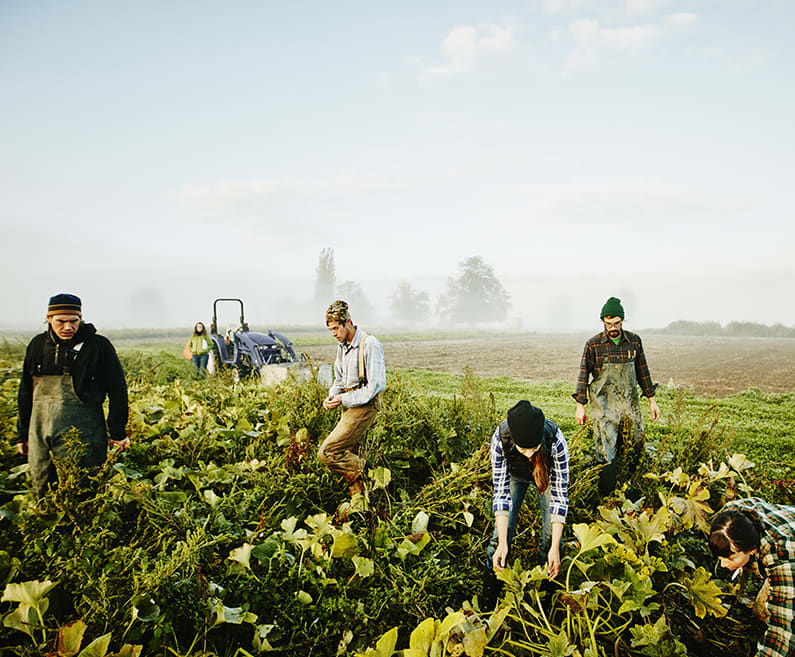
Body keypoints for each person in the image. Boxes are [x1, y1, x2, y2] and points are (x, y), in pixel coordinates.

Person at [16, 294, 129, 497]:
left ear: (80, 319)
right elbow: (25, 391)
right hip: (40, 430)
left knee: (84, 488)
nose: (67, 327)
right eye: (61, 321)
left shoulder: (98, 346)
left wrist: (118, 432)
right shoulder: (38, 345)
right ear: (49, 319)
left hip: (85, 432)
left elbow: (117, 390)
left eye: (73, 321)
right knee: (43, 485)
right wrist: (23, 434)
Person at [482, 400, 570, 611]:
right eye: (524, 449)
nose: (529, 454)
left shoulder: (556, 441)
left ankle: (545, 600)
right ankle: (487, 603)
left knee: (551, 540)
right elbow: (501, 495)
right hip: (515, 475)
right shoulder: (500, 439)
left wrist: (555, 547)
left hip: (545, 473)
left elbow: (559, 497)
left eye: (534, 449)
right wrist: (504, 542)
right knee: (498, 539)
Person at [573, 296, 660, 496]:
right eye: (608, 323)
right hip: (604, 407)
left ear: (622, 321)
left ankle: (631, 493)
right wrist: (580, 405)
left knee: (634, 446)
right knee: (606, 449)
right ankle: (607, 498)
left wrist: (651, 400)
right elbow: (583, 374)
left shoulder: (634, 341)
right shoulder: (594, 345)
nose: (613, 327)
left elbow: (643, 372)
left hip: (630, 406)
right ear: (603, 321)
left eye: (617, 323)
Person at [709, 498, 795, 657]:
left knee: (786, 620)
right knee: (761, 608)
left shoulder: (780, 557)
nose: (723, 565)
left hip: (791, 552)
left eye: (730, 559)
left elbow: (782, 630)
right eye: (721, 558)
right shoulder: (730, 517)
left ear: (751, 550)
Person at [319, 300, 386, 497]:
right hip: (349, 405)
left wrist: (343, 399)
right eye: (330, 330)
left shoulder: (369, 344)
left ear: (347, 322)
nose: (334, 334)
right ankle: (363, 504)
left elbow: (375, 385)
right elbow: (339, 380)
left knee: (328, 453)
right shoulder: (342, 347)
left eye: (336, 328)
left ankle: (374, 473)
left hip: (365, 405)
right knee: (352, 455)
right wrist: (332, 396)